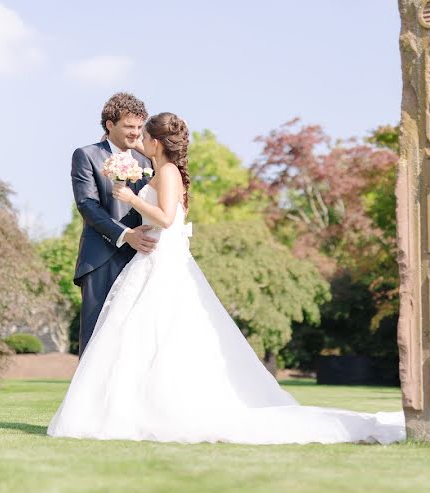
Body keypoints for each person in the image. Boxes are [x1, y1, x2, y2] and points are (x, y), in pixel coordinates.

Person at [48, 112, 405, 445]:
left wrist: (129, 197)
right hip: (150, 258)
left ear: (157, 141)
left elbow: (167, 217)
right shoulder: (157, 166)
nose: (137, 138)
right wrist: (122, 157)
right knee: (137, 334)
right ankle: (132, 408)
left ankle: (158, 408)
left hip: (162, 261)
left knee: (159, 332)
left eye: (144, 134)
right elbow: (143, 166)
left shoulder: (168, 172)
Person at [71, 92, 157, 355]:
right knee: (96, 335)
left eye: (140, 127)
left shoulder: (147, 162)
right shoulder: (86, 155)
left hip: (140, 258)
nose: (136, 133)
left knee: (133, 339)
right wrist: (125, 234)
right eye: (129, 126)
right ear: (110, 124)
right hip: (100, 258)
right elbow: (87, 205)